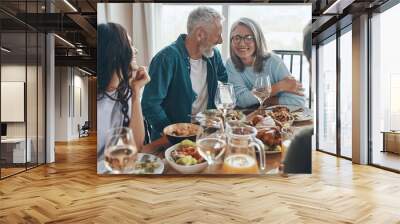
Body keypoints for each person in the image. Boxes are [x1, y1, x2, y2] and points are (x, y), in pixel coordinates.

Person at [142, 6, 227, 140]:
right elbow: (149, 104)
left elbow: (224, 83)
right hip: (173, 139)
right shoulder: (166, 58)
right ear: (200, 34)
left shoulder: (214, 55)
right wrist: (174, 134)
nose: (221, 41)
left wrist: (217, 114)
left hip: (208, 133)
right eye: (218, 35)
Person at [97, 23, 150, 165]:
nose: (136, 50)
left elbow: (136, 146)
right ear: (114, 51)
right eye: (130, 44)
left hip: (115, 169)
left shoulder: (124, 91)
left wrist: (136, 92)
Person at [226, 17, 305, 108]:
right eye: (237, 38)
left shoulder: (274, 62)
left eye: (248, 37)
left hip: (276, 118)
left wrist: (259, 100)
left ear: (257, 40)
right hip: (247, 118)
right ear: (231, 41)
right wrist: (279, 86)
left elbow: (298, 101)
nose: (242, 43)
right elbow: (241, 100)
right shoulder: (231, 63)